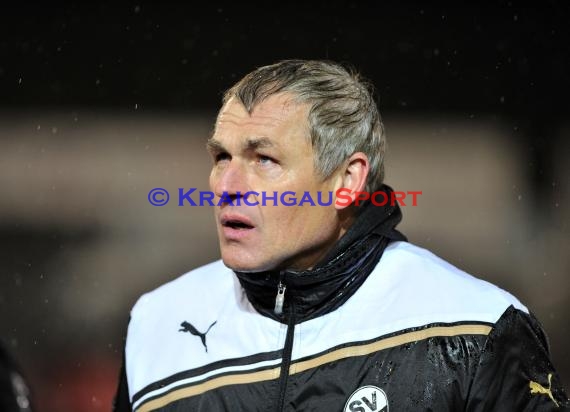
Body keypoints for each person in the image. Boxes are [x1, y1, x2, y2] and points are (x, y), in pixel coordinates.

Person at [114, 60, 569, 411]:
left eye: (263, 159)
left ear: (347, 181)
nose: (227, 186)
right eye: (221, 157)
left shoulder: (476, 327)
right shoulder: (157, 323)